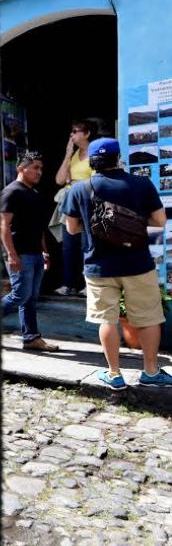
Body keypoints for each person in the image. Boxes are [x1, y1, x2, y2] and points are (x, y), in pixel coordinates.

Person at [63, 137, 172, 389]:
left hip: (99, 266)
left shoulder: (79, 189)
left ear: (92, 161)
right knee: (147, 318)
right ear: (117, 158)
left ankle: (114, 375)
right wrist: (130, 221)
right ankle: (151, 373)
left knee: (107, 320)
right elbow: (160, 221)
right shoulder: (141, 184)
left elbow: (71, 228)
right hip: (138, 264)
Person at [0, 153, 59, 351]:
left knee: (30, 299)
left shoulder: (35, 194)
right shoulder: (11, 192)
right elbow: (3, 225)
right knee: (20, 295)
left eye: (41, 168)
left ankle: (31, 338)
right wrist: (11, 254)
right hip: (20, 253)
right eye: (35, 167)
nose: (39, 172)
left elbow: (39, 228)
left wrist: (45, 252)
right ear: (21, 169)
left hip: (36, 254)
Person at [54, 119, 97, 296]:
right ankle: (69, 283)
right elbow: (59, 180)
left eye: (75, 131)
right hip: (71, 202)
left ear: (86, 134)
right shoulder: (73, 154)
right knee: (68, 245)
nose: (72, 135)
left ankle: (89, 284)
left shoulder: (95, 152)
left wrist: (73, 182)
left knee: (88, 244)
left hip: (88, 202)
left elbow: (95, 181)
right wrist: (67, 154)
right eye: (71, 131)